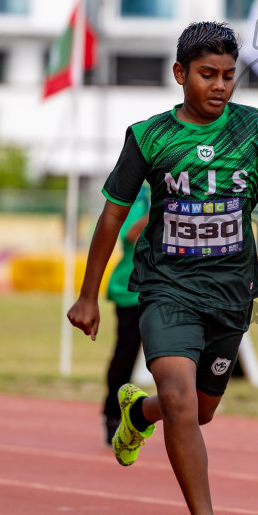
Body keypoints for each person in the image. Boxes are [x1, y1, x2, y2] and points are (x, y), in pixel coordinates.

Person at [66, 21, 258, 515]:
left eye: (229, 75)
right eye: (208, 75)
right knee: (180, 398)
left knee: (196, 412)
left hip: (231, 294)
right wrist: (88, 294)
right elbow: (111, 214)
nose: (220, 85)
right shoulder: (149, 136)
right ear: (180, 75)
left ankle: (138, 412)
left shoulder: (255, 129)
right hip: (166, 290)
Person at [102, 183, 150, 443]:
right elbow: (130, 234)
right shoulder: (139, 191)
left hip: (171, 288)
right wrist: (163, 207)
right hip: (132, 288)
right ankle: (112, 415)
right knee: (126, 354)